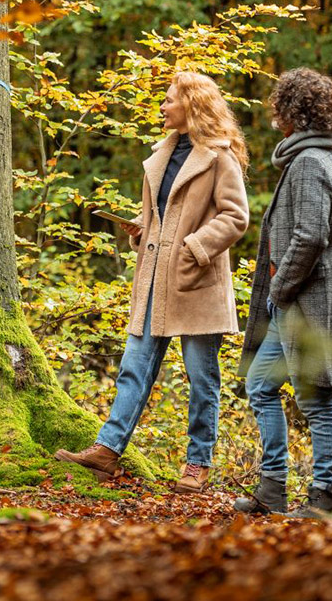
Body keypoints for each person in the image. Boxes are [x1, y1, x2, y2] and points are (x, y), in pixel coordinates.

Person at [55, 71, 250, 493]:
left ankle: (197, 465)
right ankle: (107, 450)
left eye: (168, 100)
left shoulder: (220, 156)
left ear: (192, 105)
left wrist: (194, 247)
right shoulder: (161, 154)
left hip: (195, 281)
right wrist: (142, 227)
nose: (162, 107)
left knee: (203, 378)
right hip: (154, 281)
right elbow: (163, 217)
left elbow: (236, 217)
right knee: (134, 367)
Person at [235, 69, 332, 518]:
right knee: (261, 385)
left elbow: (309, 236)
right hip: (296, 302)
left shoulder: (309, 163)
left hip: (306, 303)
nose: (274, 115)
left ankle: (325, 500)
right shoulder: (315, 156)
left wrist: (281, 289)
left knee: (314, 399)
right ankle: (271, 490)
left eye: (279, 107)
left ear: (293, 111)